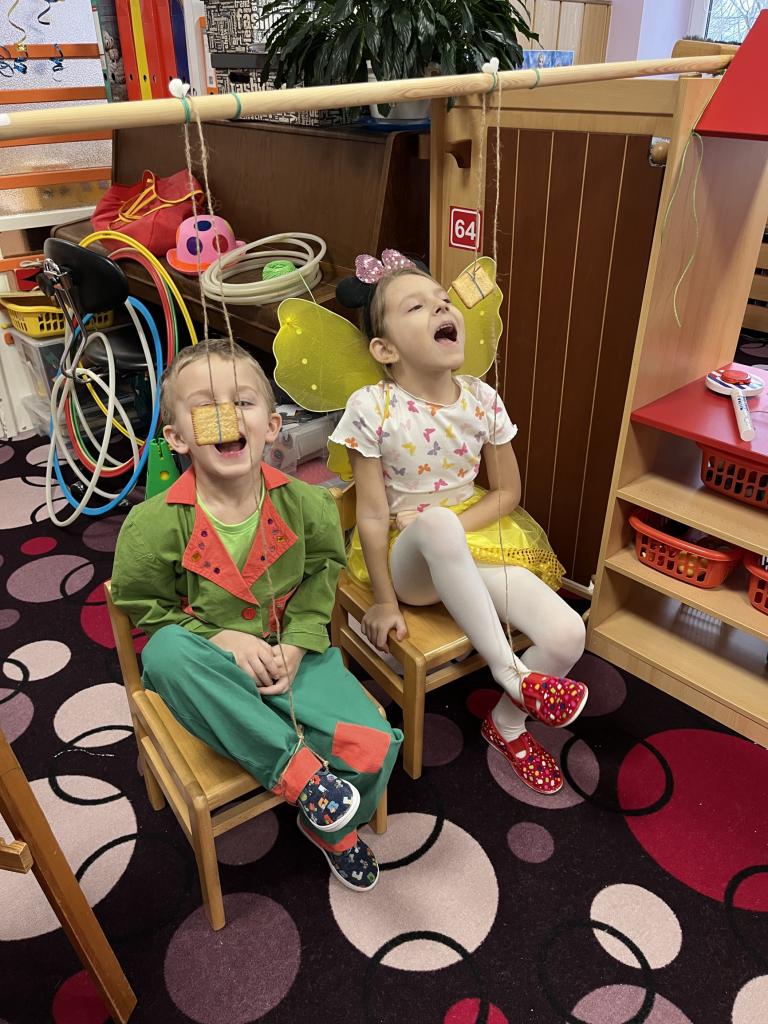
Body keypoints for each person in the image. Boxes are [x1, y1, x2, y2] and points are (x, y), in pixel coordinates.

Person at [111, 339, 402, 891]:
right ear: (177, 437)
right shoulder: (150, 526)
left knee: (374, 743)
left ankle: (330, 828)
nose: (227, 414)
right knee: (166, 654)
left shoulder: (309, 505)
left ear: (272, 426)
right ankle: (303, 777)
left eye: (243, 402)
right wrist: (222, 640)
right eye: (206, 406)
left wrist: (296, 643)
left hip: (295, 660)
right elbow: (146, 608)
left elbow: (322, 573)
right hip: (213, 671)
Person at [329, 253, 588, 794]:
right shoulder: (371, 406)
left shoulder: (482, 399)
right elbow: (372, 513)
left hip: (472, 540)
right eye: (416, 307)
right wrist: (384, 601)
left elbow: (508, 493)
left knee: (569, 633)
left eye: (443, 300)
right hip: (408, 559)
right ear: (385, 349)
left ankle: (508, 723)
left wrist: (455, 525)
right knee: (435, 527)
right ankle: (512, 673)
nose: (441, 308)